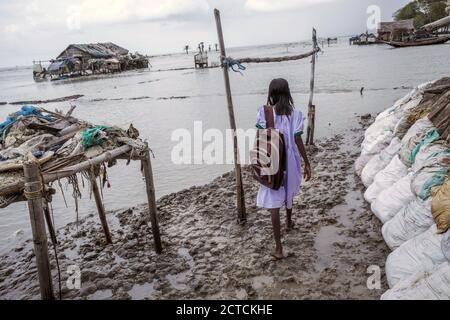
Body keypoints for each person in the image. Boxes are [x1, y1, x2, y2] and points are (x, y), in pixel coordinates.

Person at [255, 78, 312, 260]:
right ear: (287, 93)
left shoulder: (265, 113)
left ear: (271, 93)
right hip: (291, 161)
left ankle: (279, 248)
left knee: (273, 201)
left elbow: (261, 137)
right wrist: (307, 162)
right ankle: (288, 222)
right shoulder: (295, 114)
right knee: (289, 191)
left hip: (273, 162)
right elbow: (297, 139)